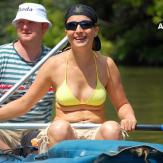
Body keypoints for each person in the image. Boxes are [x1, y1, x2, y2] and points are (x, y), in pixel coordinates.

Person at [0, 4, 137, 153]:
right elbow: (25, 103)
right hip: (63, 134)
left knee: (112, 127)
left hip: (96, 133)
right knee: (59, 128)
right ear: (66, 32)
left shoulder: (107, 64)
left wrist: (128, 116)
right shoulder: (53, 64)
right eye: (72, 26)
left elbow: (122, 104)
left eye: (85, 25)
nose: (78, 30)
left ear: (95, 30)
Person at [0, 2, 55, 150]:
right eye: (21, 23)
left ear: (44, 27)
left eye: (31, 23)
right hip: (4, 132)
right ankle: (10, 154)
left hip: (40, 133)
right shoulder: (2, 56)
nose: (25, 27)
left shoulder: (55, 59)